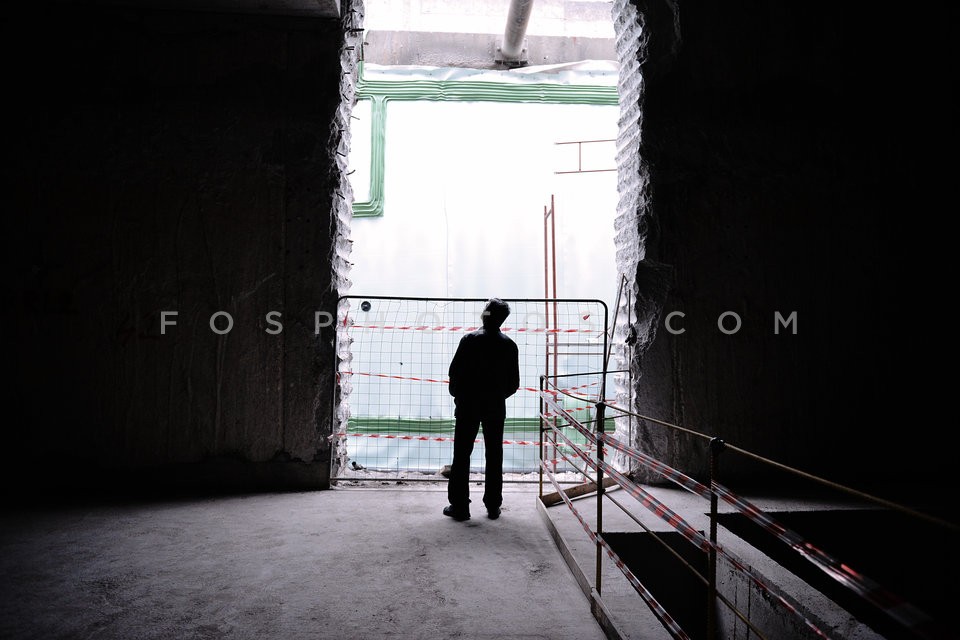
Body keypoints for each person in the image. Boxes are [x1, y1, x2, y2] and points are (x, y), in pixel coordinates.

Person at [443, 298, 520, 521]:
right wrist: (496, 396)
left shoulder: (469, 340)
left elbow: (454, 372)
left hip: (468, 404)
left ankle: (460, 506)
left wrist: (459, 394)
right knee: (494, 454)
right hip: (495, 406)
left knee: (462, 454)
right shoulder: (509, 345)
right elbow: (513, 383)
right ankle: (493, 505)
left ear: (485, 314)